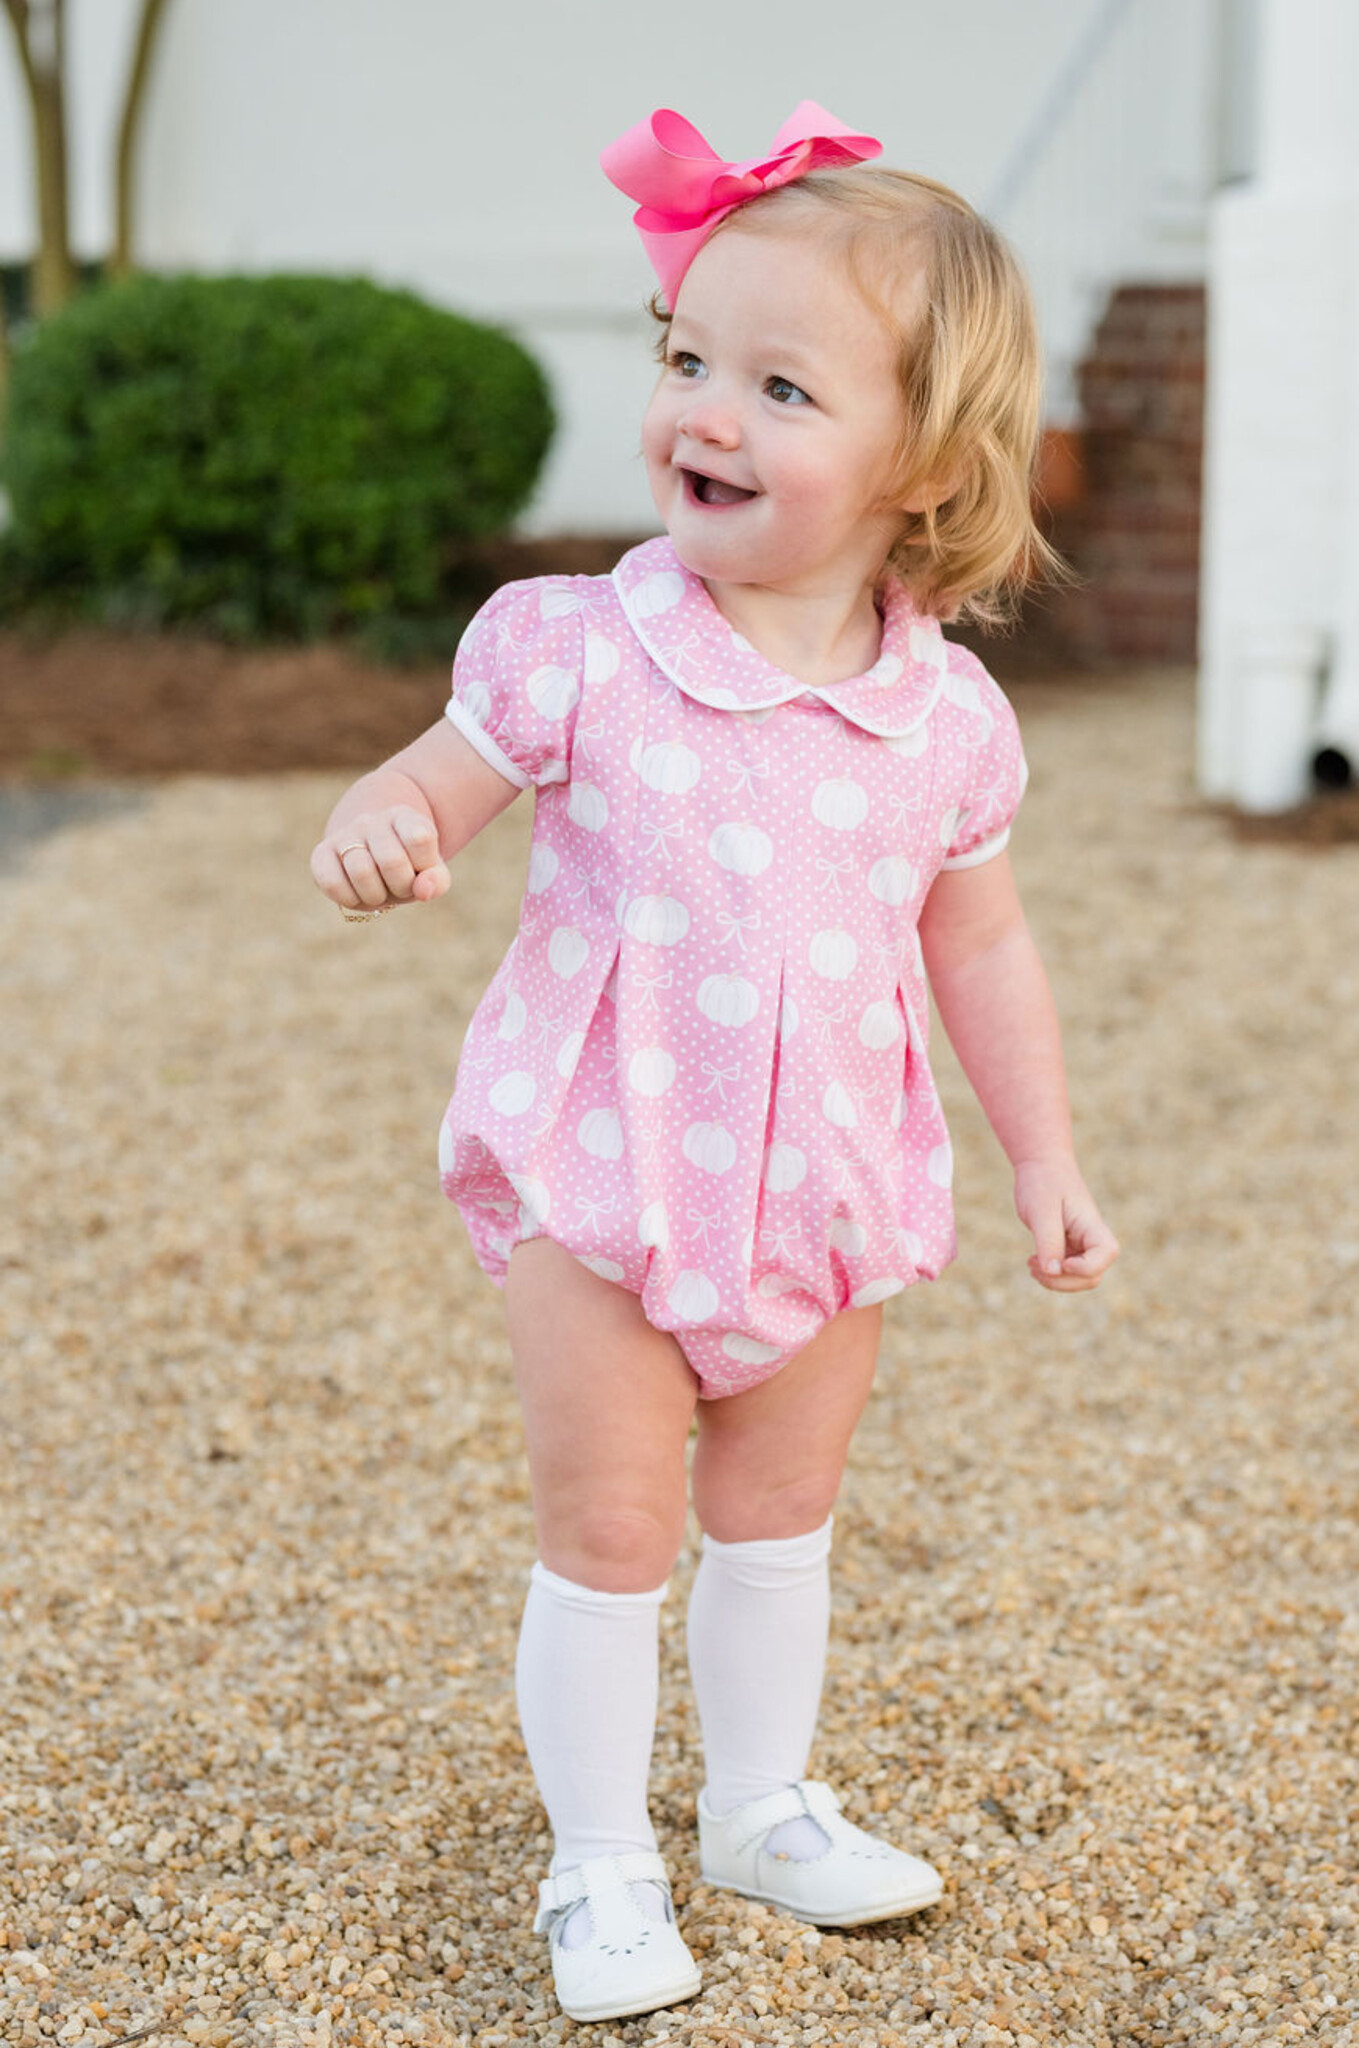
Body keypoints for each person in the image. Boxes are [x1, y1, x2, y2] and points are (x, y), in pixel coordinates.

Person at [309, 101, 1118, 2027]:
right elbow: (433, 782)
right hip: (607, 1168)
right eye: (687, 359)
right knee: (610, 1528)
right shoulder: (580, 648)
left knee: (778, 1520)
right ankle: (599, 1867)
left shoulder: (944, 719)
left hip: (826, 1182)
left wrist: (1048, 1161)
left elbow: (981, 945)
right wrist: (384, 827)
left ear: (921, 461)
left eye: (779, 385)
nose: (709, 415)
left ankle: (761, 1804)